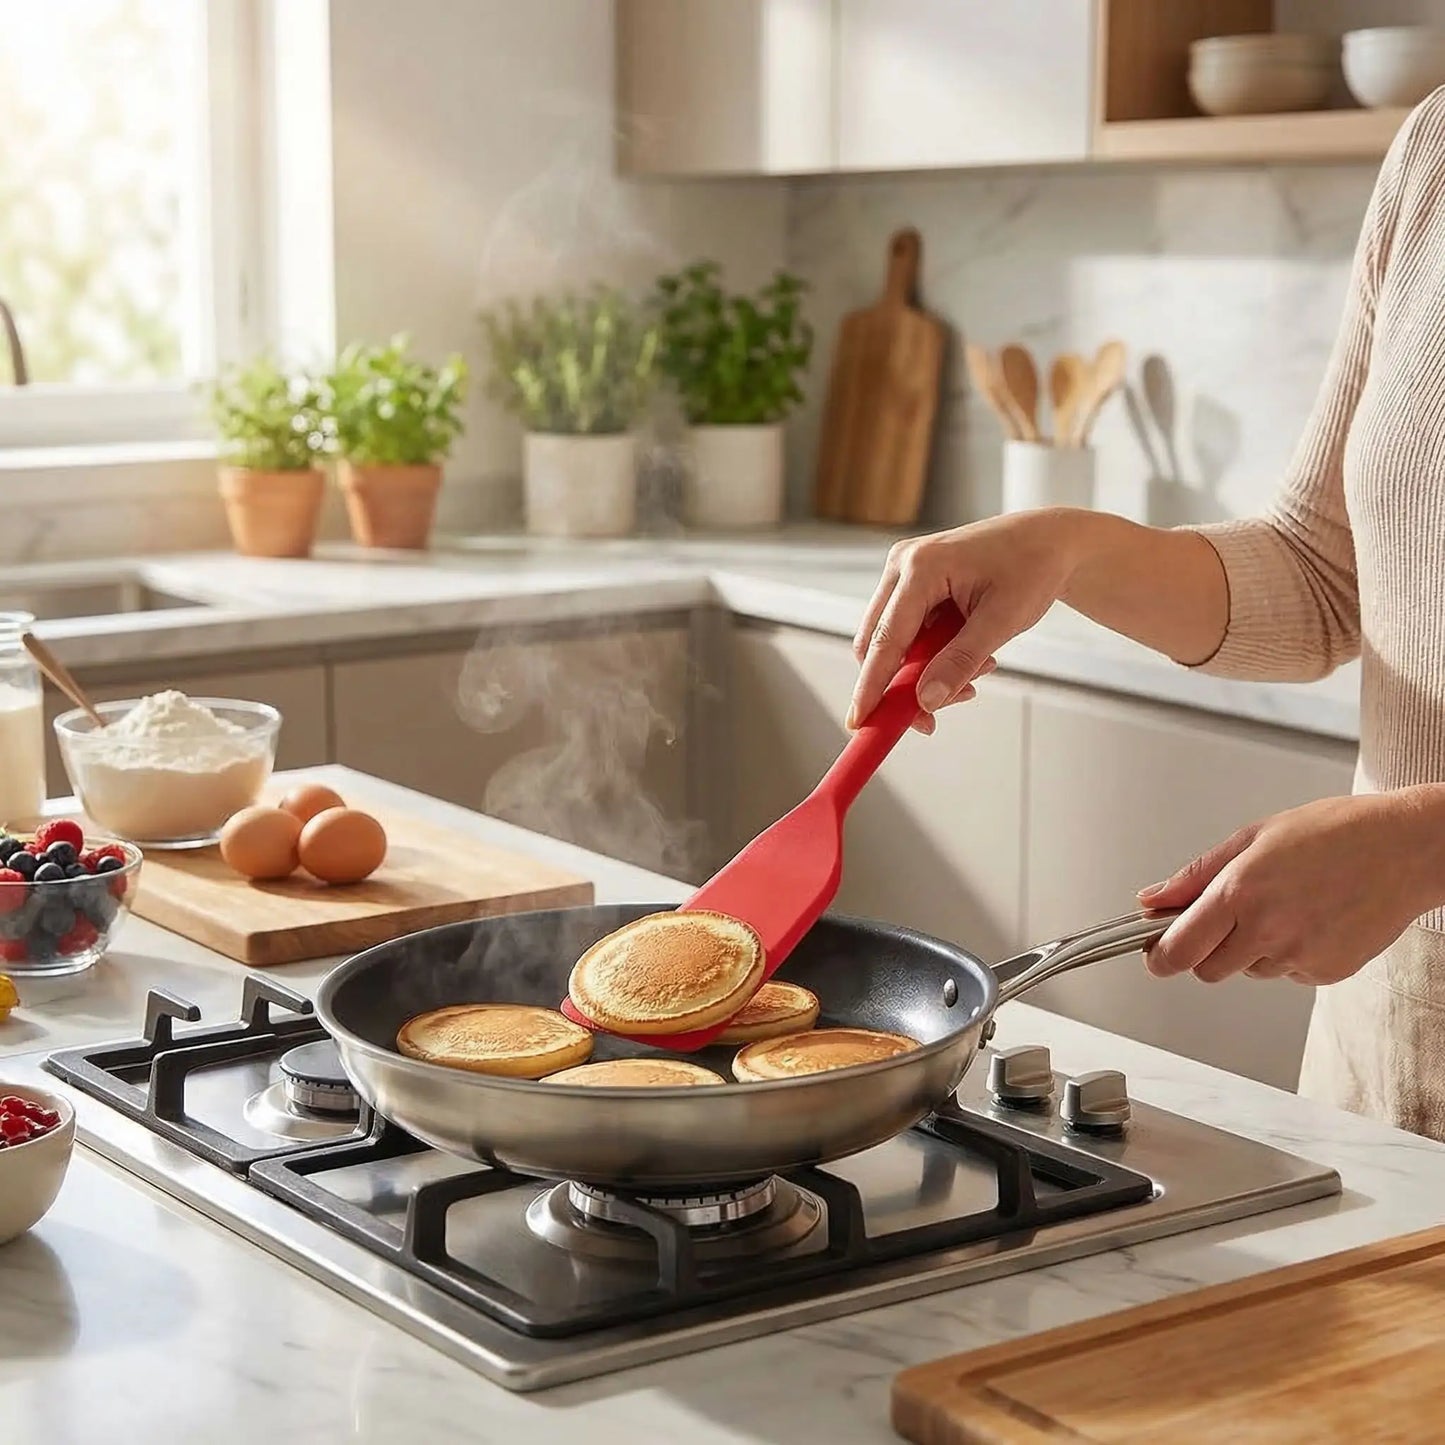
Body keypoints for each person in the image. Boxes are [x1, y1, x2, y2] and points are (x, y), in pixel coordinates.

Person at [846, 87, 1445, 1141]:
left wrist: (1421, 844)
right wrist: (1068, 545)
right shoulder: (1433, 154)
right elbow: (1319, 573)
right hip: (1388, 1067)